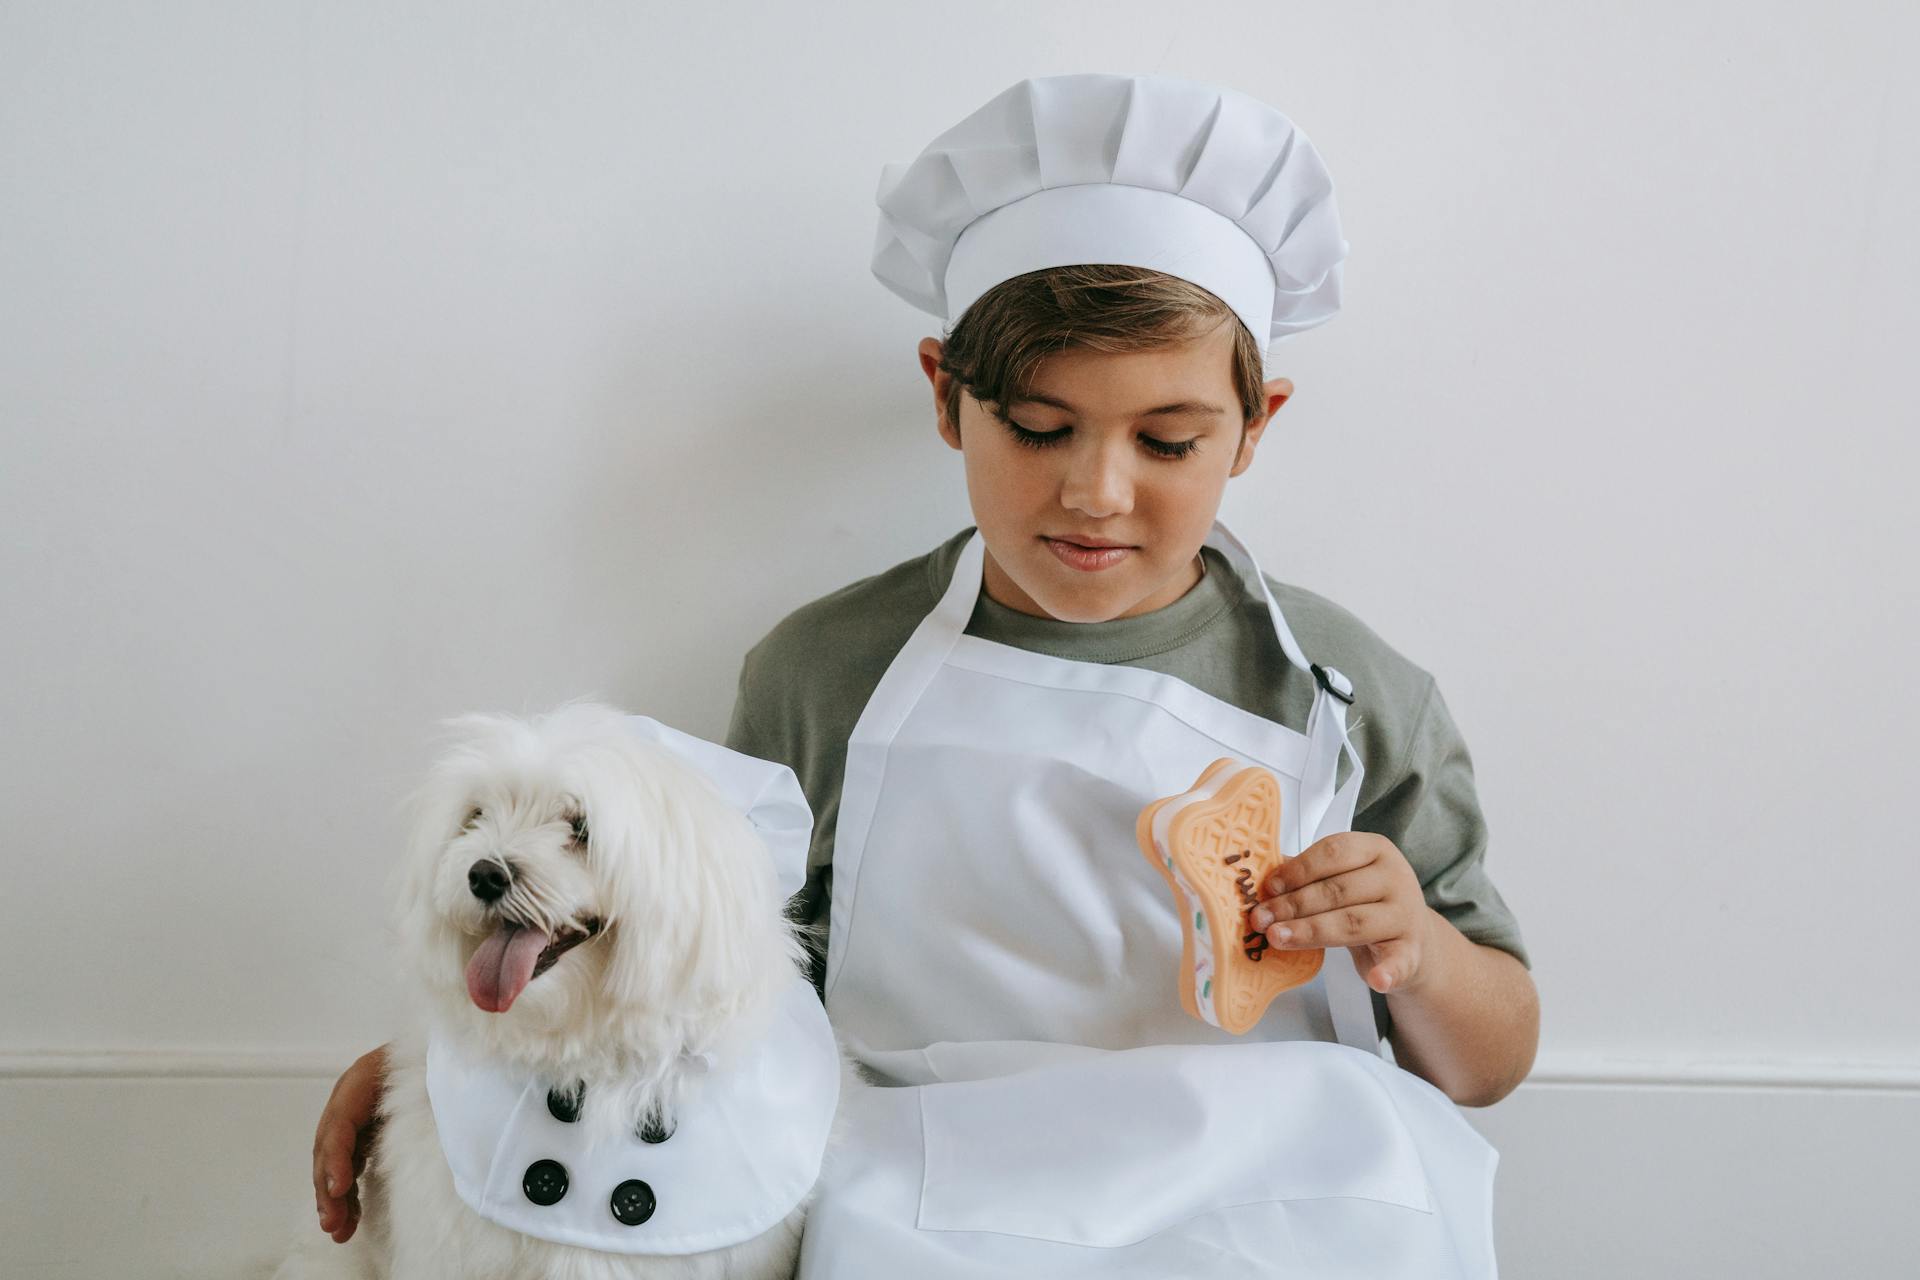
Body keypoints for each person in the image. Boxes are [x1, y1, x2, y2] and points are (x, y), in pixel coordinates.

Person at [312, 72, 1537, 1274]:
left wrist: (1414, 946)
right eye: (1040, 427)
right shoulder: (823, 672)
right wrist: (449, 1064)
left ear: (1255, 424)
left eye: (1168, 440)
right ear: (947, 396)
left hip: (1273, 1184)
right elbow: (686, 968)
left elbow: (1488, 1061)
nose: (1096, 491)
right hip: (925, 1187)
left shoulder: (1342, 694)